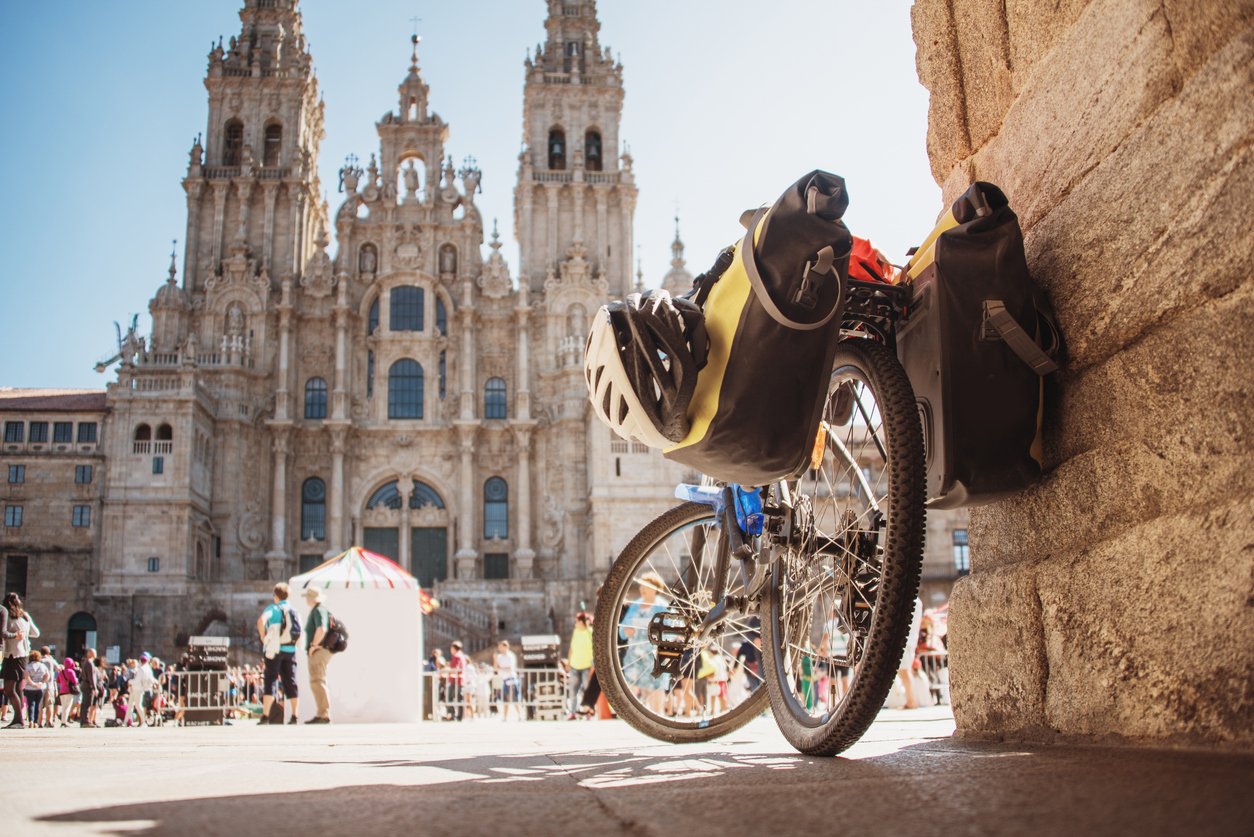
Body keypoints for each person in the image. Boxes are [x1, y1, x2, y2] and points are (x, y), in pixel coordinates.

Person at [619, 572, 670, 713]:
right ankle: (633, 717)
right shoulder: (635, 605)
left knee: (655, 690)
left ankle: (657, 718)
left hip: (655, 656)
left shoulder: (662, 606)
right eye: (641, 586)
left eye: (645, 586)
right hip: (634, 656)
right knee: (631, 688)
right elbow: (622, 628)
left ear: (655, 588)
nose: (642, 589)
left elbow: (671, 629)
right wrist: (626, 631)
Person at [256, 582, 300, 725]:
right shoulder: (294, 610)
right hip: (290, 650)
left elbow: (261, 621)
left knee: (271, 680)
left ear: (276, 595)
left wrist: (263, 637)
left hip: (273, 650)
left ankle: (265, 716)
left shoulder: (273, 609)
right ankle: (294, 716)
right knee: (290, 681)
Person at [2, 593, 38, 728]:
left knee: (9, 689)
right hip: (24, 655)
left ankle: (18, 720)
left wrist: (16, 636)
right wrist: (25, 635)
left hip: (12, 655)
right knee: (18, 689)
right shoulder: (25, 615)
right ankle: (18, 720)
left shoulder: (7, 616)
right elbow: (36, 633)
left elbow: (3, 633)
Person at [302, 587, 332, 724]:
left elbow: (321, 629)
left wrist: (313, 646)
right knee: (318, 681)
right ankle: (322, 712)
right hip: (320, 650)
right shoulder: (319, 610)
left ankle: (323, 714)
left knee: (317, 681)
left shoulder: (318, 611)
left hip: (318, 652)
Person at [567, 612, 593, 719]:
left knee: (587, 691)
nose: (575, 623)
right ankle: (572, 712)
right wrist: (568, 662)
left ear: (581, 622)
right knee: (573, 690)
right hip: (574, 666)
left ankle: (588, 712)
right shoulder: (576, 632)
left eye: (577, 621)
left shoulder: (590, 632)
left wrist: (593, 666)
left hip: (587, 666)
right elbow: (571, 648)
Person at [23, 650, 51, 727]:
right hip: (40, 688)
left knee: (30, 704)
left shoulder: (28, 666)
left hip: (29, 688)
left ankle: (31, 721)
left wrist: (33, 684)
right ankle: (36, 722)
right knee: (38, 705)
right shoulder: (43, 666)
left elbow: (26, 676)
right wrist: (42, 682)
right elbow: (47, 676)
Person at [493, 641, 521, 721]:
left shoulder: (510, 655)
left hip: (511, 678)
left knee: (514, 698)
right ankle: (505, 717)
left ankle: (519, 715)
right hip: (503, 679)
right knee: (505, 699)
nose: (499, 648)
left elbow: (510, 668)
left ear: (506, 647)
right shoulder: (499, 656)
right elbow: (495, 668)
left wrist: (501, 668)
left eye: (501, 647)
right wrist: (495, 660)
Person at [446, 641, 468, 721]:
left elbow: (457, 668)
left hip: (456, 680)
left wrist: (449, 670)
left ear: (454, 648)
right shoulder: (462, 656)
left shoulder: (457, 656)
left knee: (451, 697)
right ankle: (459, 716)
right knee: (459, 698)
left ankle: (453, 715)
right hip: (459, 680)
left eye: (451, 649)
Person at [56, 657, 81, 726]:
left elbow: (57, 680)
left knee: (63, 707)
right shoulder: (71, 671)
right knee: (67, 707)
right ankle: (64, 722)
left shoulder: (61, 672)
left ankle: (62, 721)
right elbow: (75, 681)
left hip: (61, 691)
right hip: (69, 691)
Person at [79, 649, 99, 727]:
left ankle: (83, 721)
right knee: (87, 703)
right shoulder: (90, 663)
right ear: (91, 654)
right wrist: (94, 688)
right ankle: (86, 721)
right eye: (95, 653)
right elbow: (91, 677)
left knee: (84, 703)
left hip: (84, 684)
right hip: (88, 685)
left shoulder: (85, 663)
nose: (96, 654)